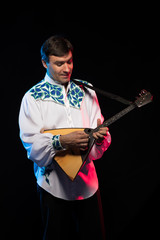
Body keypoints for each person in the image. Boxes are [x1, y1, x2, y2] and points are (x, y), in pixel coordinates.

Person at [19, 35, 111, 240]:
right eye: (59, 63)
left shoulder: (86, 89)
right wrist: (61, 142)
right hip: (53, 188)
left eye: (69, 61)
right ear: (44, 62)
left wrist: (98, 137)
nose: (67, 69)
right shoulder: (33, 98)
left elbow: (98, 133)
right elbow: (32, 147)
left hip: (87, 184)